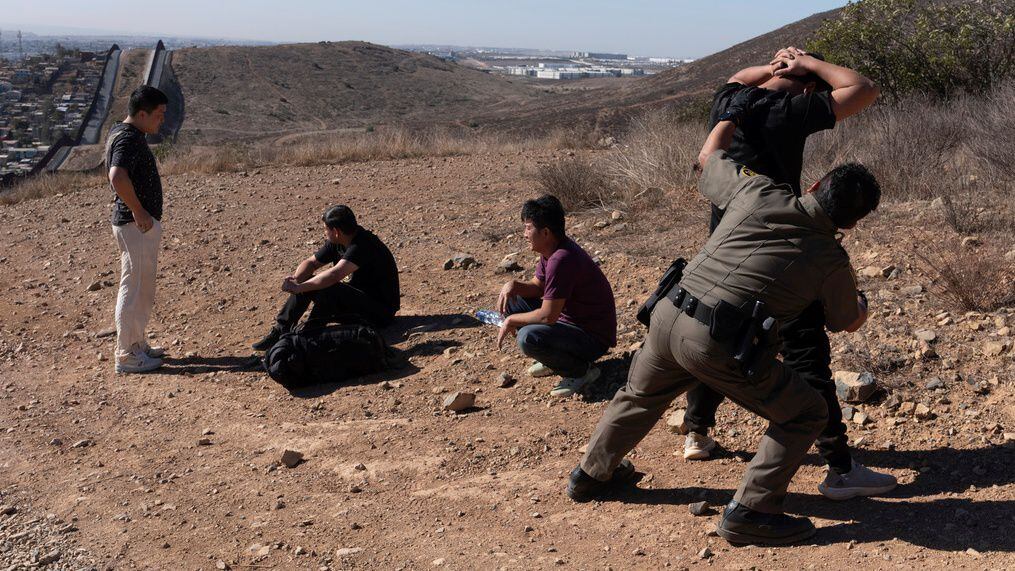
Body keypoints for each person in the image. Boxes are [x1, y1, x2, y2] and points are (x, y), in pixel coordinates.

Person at [568, 114, 882, 546]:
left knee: (640, 395)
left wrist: (727, 117)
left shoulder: (758, 190)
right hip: (715, 342)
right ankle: (752, 511)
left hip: (667, 315)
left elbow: (706, 158)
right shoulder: (830, 259)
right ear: (852, 223)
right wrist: (861, 302)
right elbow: (846, 321)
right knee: (807, 413)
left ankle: (590, 475)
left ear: (814, 186)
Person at [679, 47, 896, 502]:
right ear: (809, 84)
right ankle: (839, 467)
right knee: (805, 347)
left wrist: (771, 67)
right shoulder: (790, 109)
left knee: (717, 325)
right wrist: (810, 65)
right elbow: (863, 90)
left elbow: (738, 76)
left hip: (724, 242)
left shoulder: (731, 101)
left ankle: (696, 431)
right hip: (779, 245)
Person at [496, 195, 617, 397]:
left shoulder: (561, 259)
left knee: (528, 338)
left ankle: (581, 372)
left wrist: (511, 320)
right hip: (570, 324)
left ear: (545, 232)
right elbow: (539, 286)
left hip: (591, 338)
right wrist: (514, 285)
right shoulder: (551, 250)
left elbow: (548, 316)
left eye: (528, 228)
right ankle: (554, 359)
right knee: (513, 300)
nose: (524, 234)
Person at [252, 205, 399, 350]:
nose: (324, 233)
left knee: (329, 288)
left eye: (325, 229)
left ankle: (306, 335)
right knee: (314, 283)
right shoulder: (340, 241)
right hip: (357, 306)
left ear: (335, 231)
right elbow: (311, 262)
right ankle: (281, 329)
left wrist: (300, 288)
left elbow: (334, 275)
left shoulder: (363, 245)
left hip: (379, 314)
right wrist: (297, 279)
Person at [107, 85, 169, 374]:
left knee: (143, 286)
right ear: (141, 114)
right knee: (133, 287)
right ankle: (126, 354)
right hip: (135, 224)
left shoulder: (127, 133)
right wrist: (138, 209)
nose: (161, 121)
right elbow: (117, 176)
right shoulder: (128, 140)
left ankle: (137, 343)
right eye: (158, 115)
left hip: (138, 224)